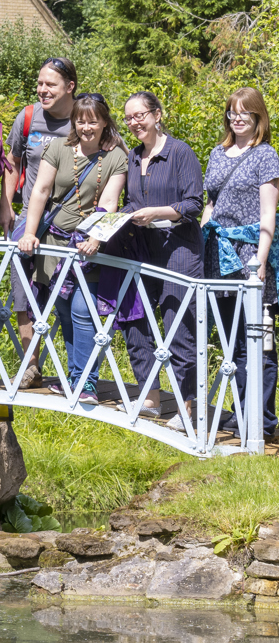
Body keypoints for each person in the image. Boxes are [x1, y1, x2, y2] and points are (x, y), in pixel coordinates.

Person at [18, 94, 127, 404]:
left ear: (104, 121)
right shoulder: (59, 149)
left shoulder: (116, 157)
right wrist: (28, 233)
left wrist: (97, 237)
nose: (86, 126)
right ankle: (75, 377)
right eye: (81, 120)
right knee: (64, 310)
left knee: (84, 310)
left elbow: (109, 202)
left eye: (93, 120)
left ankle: (86, 384)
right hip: (54, 242)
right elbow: (40, 191)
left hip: (88, 246)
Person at [118, 92, 204, 423]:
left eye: (140, 115)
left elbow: (194, 204)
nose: (134, 123)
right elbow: (132, 203)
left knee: (177, 327)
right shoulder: (133, 156)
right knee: (136, 320)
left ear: (157, 114)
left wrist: (156, 213)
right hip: (143, 251)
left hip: (179, 252)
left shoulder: (180, 152)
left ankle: (187, 408)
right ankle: (150, 397)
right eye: (128, 118)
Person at [202, 87, 279, 439]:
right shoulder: (218, 153)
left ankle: (261, 420)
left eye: (244, 112)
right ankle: (240, 410)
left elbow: (268, 214)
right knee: (231, 337)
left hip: (250, 256)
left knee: (259, 337)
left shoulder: (266, 156)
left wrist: (260, 261)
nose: (237, 117)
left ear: (257, 116)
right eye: (232, 111)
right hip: (217, 255)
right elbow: (211, 204)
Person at [0, 57, 78, 389]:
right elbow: (11, 162)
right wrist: (5, 205)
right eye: (40, 83)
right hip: (28, 221)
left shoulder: (84, 120)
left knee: (66, 292)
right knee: (21, 291)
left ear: (70, 87)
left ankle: (78, 369)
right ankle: (31, 363)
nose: (43, 90)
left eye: (51, 85)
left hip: (68, 223)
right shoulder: (28, 117)